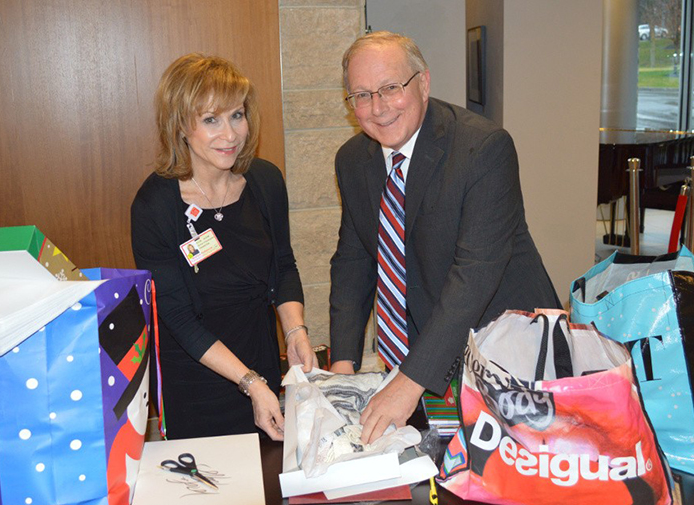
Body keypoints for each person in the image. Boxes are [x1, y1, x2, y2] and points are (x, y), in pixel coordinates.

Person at [328, 32, 560, 444]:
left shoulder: (482, 149)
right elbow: (354, 259)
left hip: (507, 352)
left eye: (391, 88)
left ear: (423, 83)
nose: (378, 108)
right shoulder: (352, 159)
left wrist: (410, 380)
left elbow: (474, 275)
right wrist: (342, 364)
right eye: (362, 95)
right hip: (428, 349)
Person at [131, 53, 315, 441]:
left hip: (264, 365)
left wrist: (294, 331)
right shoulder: (155, 206)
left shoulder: (265, 181)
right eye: (211, 120)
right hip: (197, 384)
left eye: (237, 115)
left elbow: (283, 265)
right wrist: (249, 382)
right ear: (181, 126)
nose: (230, 134)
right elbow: (177, 318)